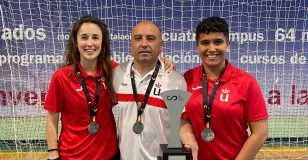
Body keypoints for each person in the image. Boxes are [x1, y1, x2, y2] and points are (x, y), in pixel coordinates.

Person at [180, 16, 269, 160]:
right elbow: (182, 118)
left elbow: (260, 133)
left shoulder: (247, 82)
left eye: (218, 42)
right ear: (197, 47)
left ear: (228, 44)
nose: (211, 48)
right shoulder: (187, 78)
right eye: (205, 43)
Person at [44, 16, 119, 160]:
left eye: (95, 37)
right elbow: (51, 119)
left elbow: (141, 69)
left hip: (109, 154)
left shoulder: (113, 71)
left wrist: (162, 62)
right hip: (71, 156)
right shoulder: (61, 77)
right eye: (84, 37)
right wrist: (53, 153)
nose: (90, 43)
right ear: (76, 43)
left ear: (102, 43)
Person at [113, 21, 187, 160]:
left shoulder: (176, 81)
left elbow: (181, 125)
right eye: (138, 38)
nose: (144, 44)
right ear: (131, 44)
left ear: (161, 45)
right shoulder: (116, 75)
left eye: (151, 38)